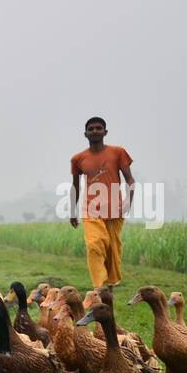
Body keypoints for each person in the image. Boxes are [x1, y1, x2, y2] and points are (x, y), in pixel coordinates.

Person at [69, 117, 134, 288]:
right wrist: (72, 212)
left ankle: (110, 284)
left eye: (99, 128)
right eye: (91, 129)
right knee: (94, 243)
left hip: (114, 208)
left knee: (112, 250)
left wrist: (128, 201)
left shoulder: (118, 152)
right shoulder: (78, 159)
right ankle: (99, 285)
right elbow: (75, 186)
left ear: (105, 132)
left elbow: (130, 180)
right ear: (85, 134)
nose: (95, 131)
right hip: (90, 209)